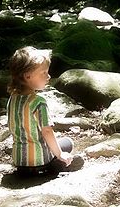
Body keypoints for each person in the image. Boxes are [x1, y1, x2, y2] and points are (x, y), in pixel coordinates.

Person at [7, 46, 84, 177]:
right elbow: (47, 131)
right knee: (67, 143)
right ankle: (55, 165)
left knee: (57, 143)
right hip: (39, 161)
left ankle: (40, 166)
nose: (48, 76)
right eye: (43, 73)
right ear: (27, 76)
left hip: (20, 161)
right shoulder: (38, 102)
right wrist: (60, 154)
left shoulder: (12, 99)